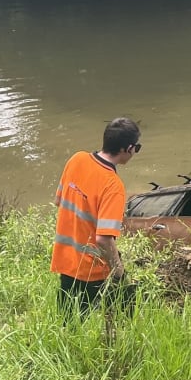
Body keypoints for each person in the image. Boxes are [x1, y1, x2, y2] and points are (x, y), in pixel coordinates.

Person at [51, 117, 141, 318]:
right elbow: (103, 239)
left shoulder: (77, 159)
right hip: (91, 269)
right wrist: (118, 271)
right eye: (137, 147)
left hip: (65, 258)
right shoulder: (113, 185)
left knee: (67, 320)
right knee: (119, 313)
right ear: (128, 149)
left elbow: (59, 201)